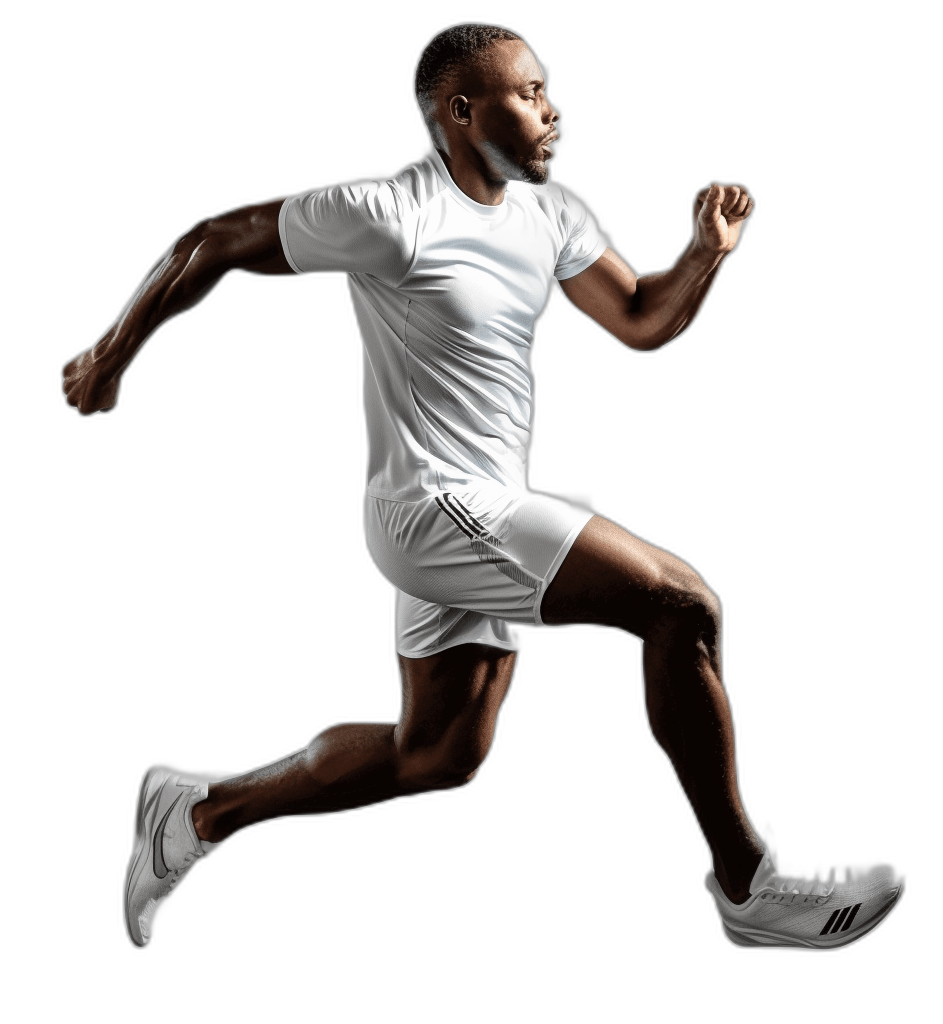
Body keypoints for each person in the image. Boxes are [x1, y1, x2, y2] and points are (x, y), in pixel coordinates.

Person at [62, 23, 903, 951]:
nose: (552, 110)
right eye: (528, 94)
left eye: (546, 92)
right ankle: (747, 889)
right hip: (433, 509)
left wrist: (705, 253)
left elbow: (638, 320)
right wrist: (109, 358)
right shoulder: (392, 214)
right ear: (461, 112)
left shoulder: (549, 217)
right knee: (680, 605)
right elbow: (216, 239)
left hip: (475, 516)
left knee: (438, 755)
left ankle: (198, 815)